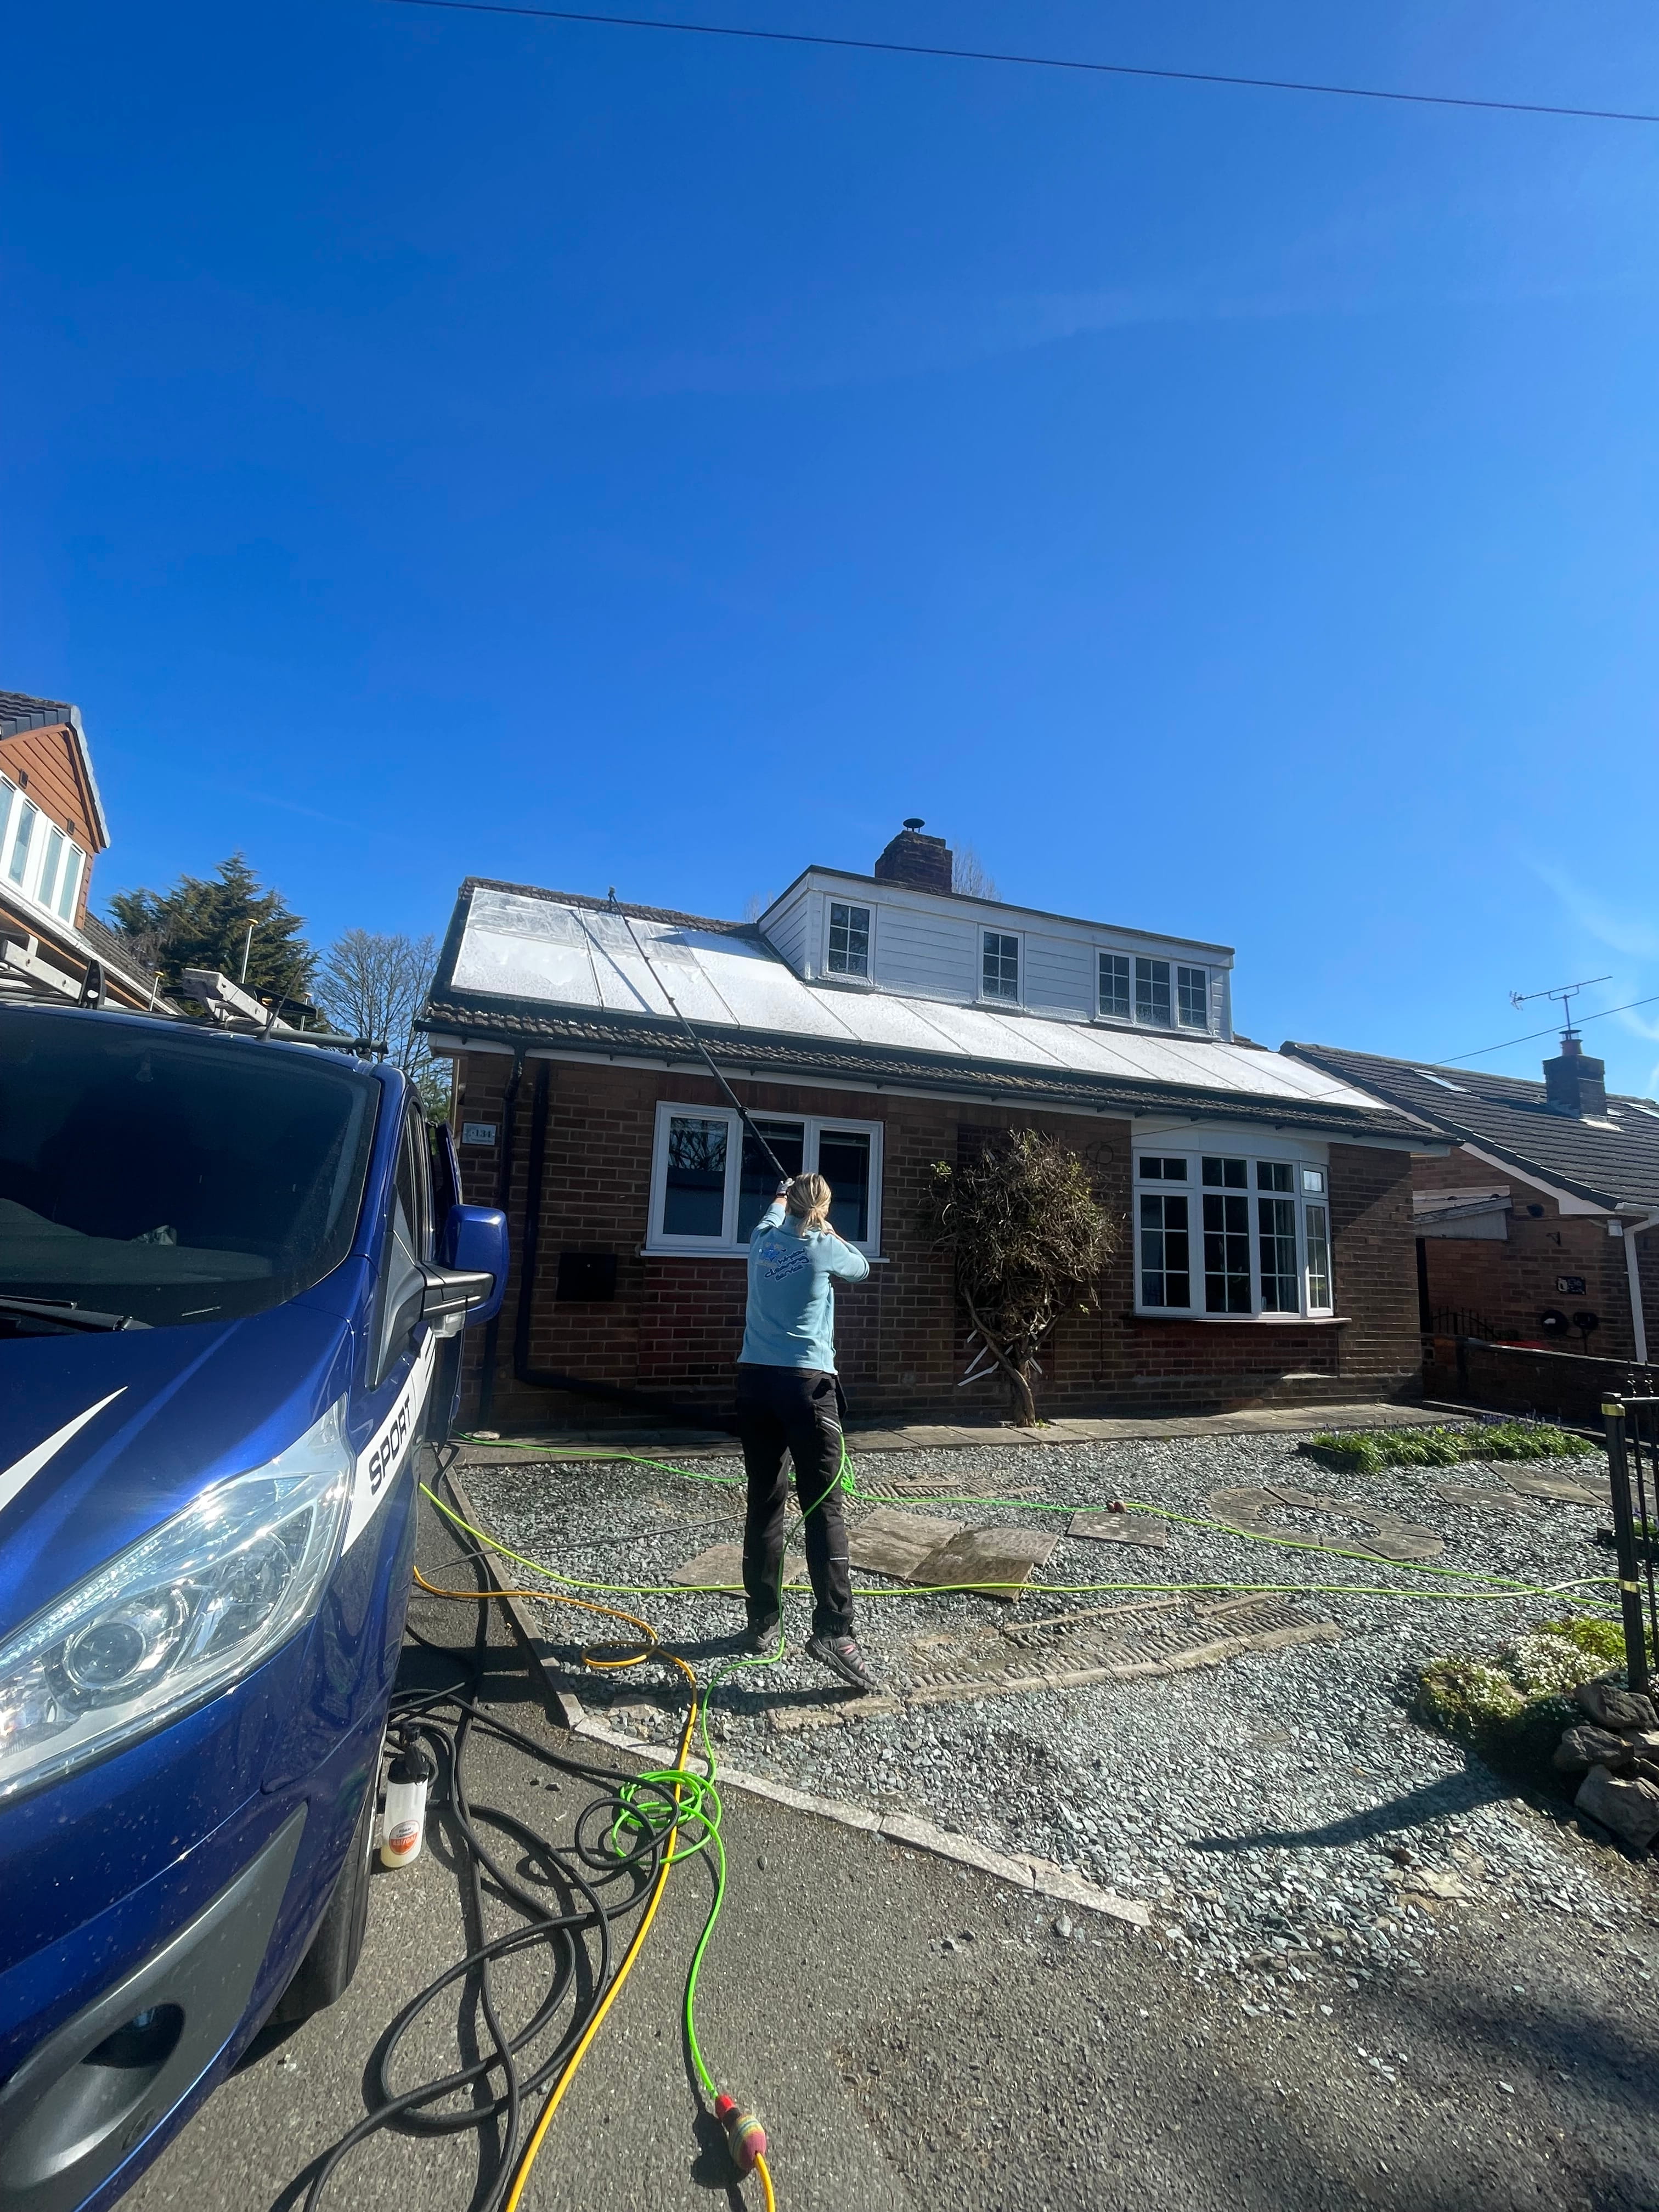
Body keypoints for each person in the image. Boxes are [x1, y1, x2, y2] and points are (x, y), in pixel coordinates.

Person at [736, 1168, 879, 1691]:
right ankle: (835, 1631)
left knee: (766, 1502)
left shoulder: (761, 1242)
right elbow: (861, 1268)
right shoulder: (824, 1247)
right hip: (807, 1387)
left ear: (788, 1203)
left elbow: (775, 1213)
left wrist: (784, 1192)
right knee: (824, 1508)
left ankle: (763, 1620)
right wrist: (828, 1225)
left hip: (755, 1385)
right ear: (821, 1208)